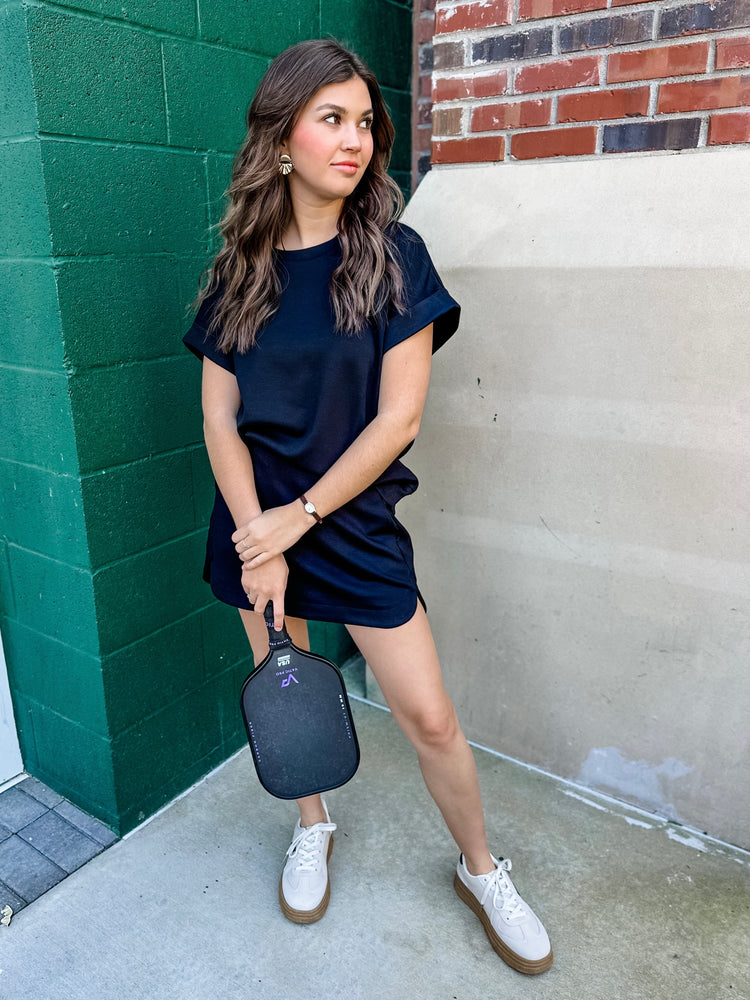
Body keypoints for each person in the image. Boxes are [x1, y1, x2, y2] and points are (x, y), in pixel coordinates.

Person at [183, 39, 553, 976]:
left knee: (429, 717)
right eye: (331, 119)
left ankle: (481, 870)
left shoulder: (394, 256)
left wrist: (298, 518)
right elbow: (220, 420)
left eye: (364, 122)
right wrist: (258, 536)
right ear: (281, 139)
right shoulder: (237, 270)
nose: (355, 140)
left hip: (344, 525)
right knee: (292, 698)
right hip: (255, 527)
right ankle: (313, 825)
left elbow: (399, 419)